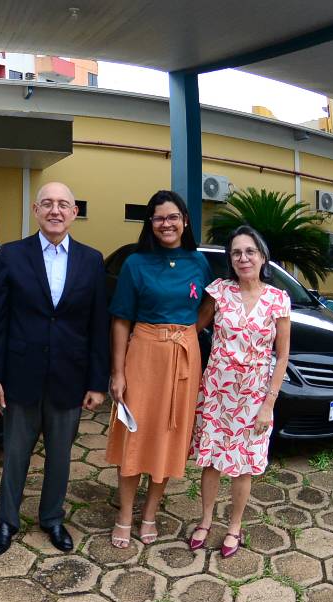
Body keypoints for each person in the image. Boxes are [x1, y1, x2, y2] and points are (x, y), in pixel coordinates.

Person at [0, 182, 109, 556]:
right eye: (48, 204)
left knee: (60, 456)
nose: (56, 211)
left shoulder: (91, 259)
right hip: (21, 375)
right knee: (16, 453)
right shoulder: (12, 254)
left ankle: (52, 518)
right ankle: (7, 520)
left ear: (74, 213)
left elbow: (98, 325)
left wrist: (97, 382)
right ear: (36, 210)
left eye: (64, 205)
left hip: (69, 378)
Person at [106, 190, 211, 549]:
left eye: (172, 217)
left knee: (170, 435)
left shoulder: (198, 262)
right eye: (158, 218)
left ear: (184, 221)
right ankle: (124, 515)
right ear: (150, 224)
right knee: (135, 434)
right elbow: (121, 320)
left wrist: (186, 334)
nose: (166, 224)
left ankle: (149, 514)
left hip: (184, 358)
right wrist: (118, 373)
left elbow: (210, 304)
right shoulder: (136, 263)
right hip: (144, 355)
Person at [188, 226, 290, 558]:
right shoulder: (219, 291)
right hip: (217, 393)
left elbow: (283, 355)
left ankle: (234, 526)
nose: (243, 258)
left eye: (250, 252)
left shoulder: (278, 299)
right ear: (230, 260)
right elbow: (193, 329)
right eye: (236, 253)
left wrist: (268, 404)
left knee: (243, 464)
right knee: (213, 461)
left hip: (254, 398)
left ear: (262, 257)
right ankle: (205, 520)